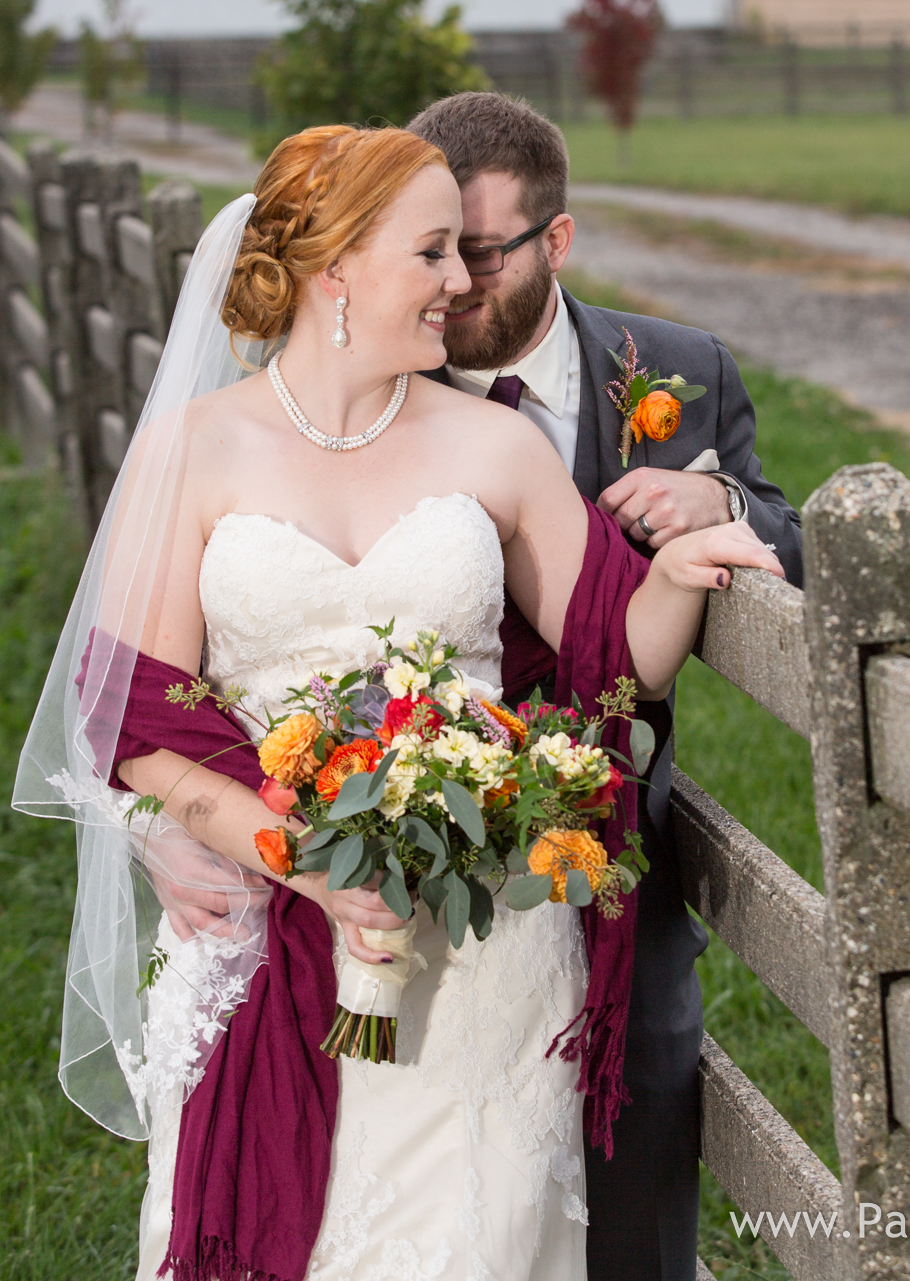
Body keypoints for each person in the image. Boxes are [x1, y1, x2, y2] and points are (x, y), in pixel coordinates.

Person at [13, 124, 781, 1281]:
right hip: (271, 924)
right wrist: (304, 859)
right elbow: (142, 723)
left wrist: (677, 569)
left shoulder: (496, 444)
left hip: (489, 949)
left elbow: (617, 657)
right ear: (336, 270)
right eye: (431, 252)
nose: (460, 282)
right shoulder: (195, 451)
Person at [407, 92, 803, 1281]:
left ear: (558, 241)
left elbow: (795, 530)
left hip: (621, 851)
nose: (453, 284)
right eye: (432, 250)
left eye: (482, 252)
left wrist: (723, 505)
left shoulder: (675, 370)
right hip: (414, 847)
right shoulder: (387, 376)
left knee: (639, 1139)